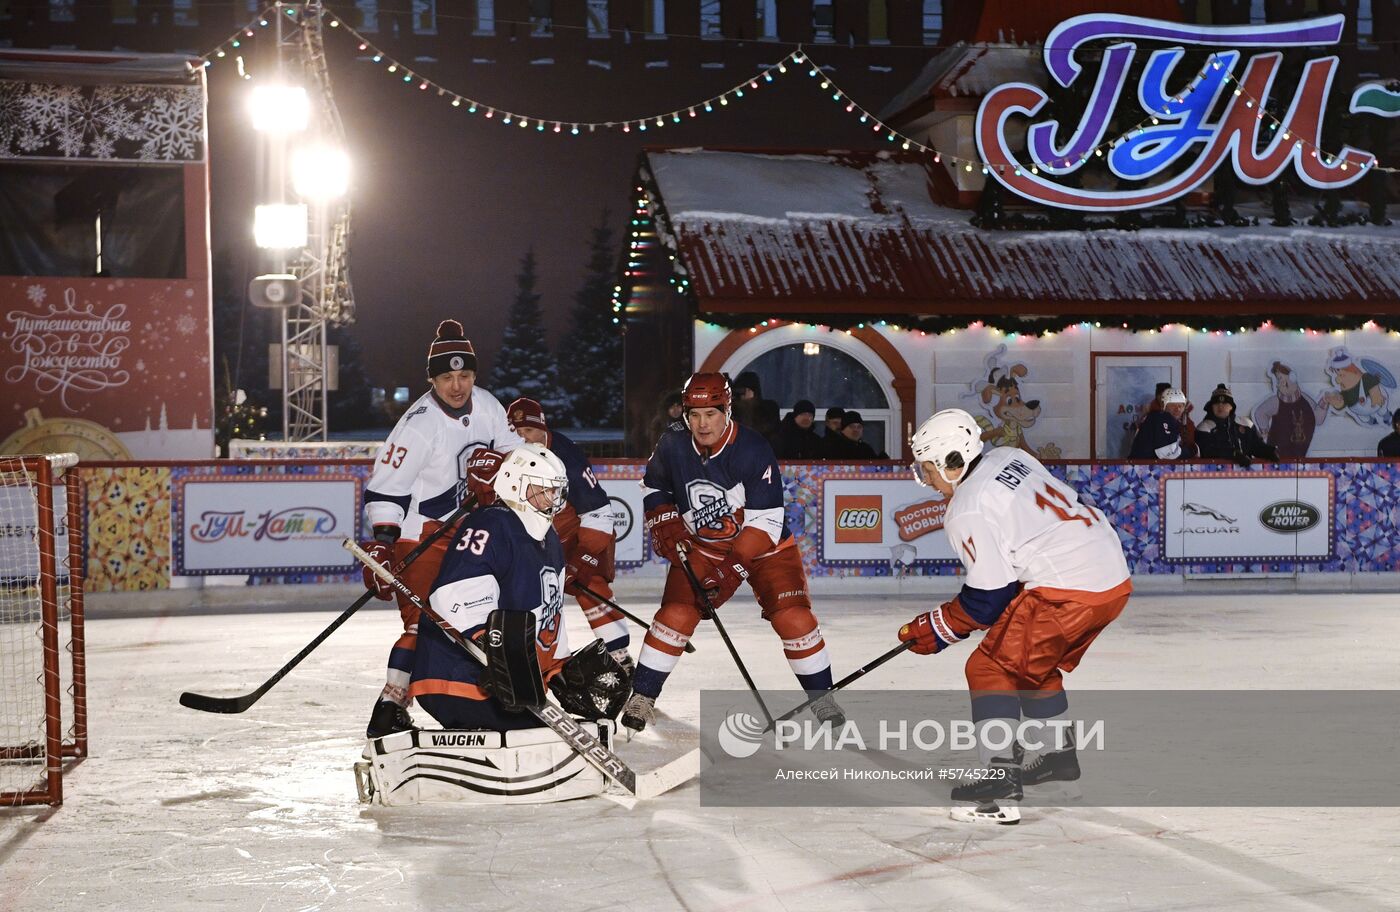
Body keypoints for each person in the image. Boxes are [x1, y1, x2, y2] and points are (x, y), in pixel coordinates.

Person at [898, 409, 1131, 824]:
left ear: (953, 461)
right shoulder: (1008, 456)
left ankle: (1000, 790)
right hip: (1110, 576)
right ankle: (1060, 764)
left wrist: (938, 626)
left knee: (989, 668)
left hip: (1067, 588)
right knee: (1031, 666)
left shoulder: (966, 508)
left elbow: (989, 598)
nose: (926, 478)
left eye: (928, 468)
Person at [622, 372, 841, 731]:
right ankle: (643, 694)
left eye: (711, 413)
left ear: (727, 410)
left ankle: (822, 696)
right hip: (703, 545)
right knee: (675, 614)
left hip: (765, 548)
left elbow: (765, 525)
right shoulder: (673, 443)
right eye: (694, 414)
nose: (702, 423)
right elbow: (654, 486)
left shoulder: (753, 449)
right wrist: (665, 522)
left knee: (794, 619)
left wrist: (729, 572)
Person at [359, 319, 523, 739]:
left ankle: (485, 696)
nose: (457, 386)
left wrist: (503, 470)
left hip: (466, 533)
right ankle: (390, 706)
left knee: (480, 616)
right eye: (447, 377)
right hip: (421, 534)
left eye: (464, 375)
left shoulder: (487, 406)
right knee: (423, 623)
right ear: (431, 378)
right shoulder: (418, 424)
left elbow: (515, 454)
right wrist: (383, 547)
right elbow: (385, 489)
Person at [407, 443, 628, 732]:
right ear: (515, 485)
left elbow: (549, 614)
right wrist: (494, 649)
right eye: (545, 489)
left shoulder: (549, 538)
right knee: (537, 737)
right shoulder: (490, 523)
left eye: (556, 490)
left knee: (544, 735)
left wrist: (557, 671)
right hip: (457, 678)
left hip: (509, 686)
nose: (554, 498)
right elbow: (454, 595)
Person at [506, 396, 631, 671]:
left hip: (573, 535)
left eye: (528, 431)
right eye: (517, 433)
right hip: (534, 538)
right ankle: (527, 658)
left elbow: (598, 510)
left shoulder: (566, 455)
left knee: (592, 586)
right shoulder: (512, 455)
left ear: (542, 426)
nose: (524, 439)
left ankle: (620, 658)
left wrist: (583, 557)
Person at [1195, 385, 1278, 468]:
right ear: (1211, 407)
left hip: (1246, 475)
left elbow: (1256, 446)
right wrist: (1233, 454)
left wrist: (1268, 452)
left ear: (1231, 406)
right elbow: (1208, 452)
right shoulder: (1204, 428)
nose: (1220, 406)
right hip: (1213, 477)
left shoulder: (1246, 424)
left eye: (1225, 403)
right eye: (1216, 403)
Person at [1129, 388, 1195, 460]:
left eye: (1181, 406)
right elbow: (1167, 453)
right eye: (1173, 405)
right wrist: (1191, 451)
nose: (1177, 409)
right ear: (1164, 406)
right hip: (1142, 469)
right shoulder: (1162, 418)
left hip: (1141, 467)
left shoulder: (1158, 417)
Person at [731, 371, 781, 443]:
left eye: (746, 390)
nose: (743, 394)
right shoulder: (734, 409)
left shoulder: (768, 408)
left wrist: (749, 402)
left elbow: (765, 430)